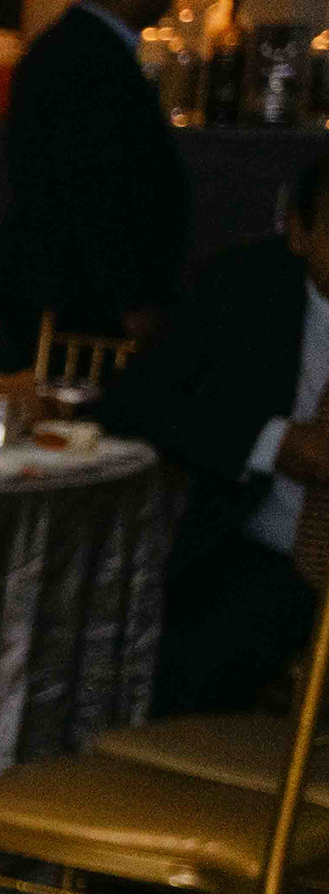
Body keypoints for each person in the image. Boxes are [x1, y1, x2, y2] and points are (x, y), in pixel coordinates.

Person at [105, 155, 329, 713]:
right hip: (268, 554)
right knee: (184, 655)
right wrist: (274, 443)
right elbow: (136, 403)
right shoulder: (244, 287)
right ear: (298, 233)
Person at [0, 0, 189, 347]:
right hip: (85, 296)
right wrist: (132, 297)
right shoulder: (89, 59)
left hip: (77, 286)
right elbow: (95, 185)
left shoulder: (74, 47)